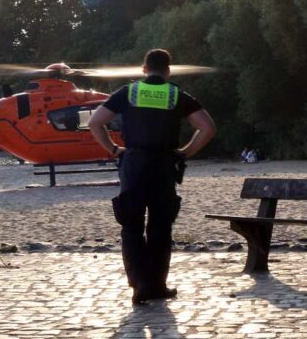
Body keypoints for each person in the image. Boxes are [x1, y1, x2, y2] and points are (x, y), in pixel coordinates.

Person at [88, 49, 216, 305]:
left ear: (144, 69)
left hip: (133, 163)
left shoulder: (129, 92)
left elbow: (95, 122)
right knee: (160, 226)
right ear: (168, 71)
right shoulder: (177, 95)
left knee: (131, 225)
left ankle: (139, 286)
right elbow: (208, 128)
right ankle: (158, 285)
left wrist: (113, 149)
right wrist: (184, 153)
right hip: (163, 163)